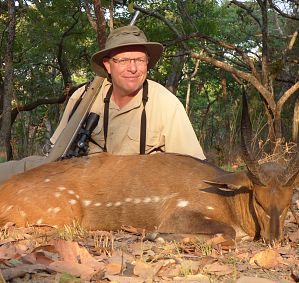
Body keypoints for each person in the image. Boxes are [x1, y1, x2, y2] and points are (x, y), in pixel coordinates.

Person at [0, 25, 205, 185]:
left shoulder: (166, 104)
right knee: (21, 169)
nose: (133, 68)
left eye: (139, 60)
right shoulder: (83, 97)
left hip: (134, 187)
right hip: (80, 177)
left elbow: (193, 168)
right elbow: (55, 152)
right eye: (123, 60)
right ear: (108, 65)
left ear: (147, 64)